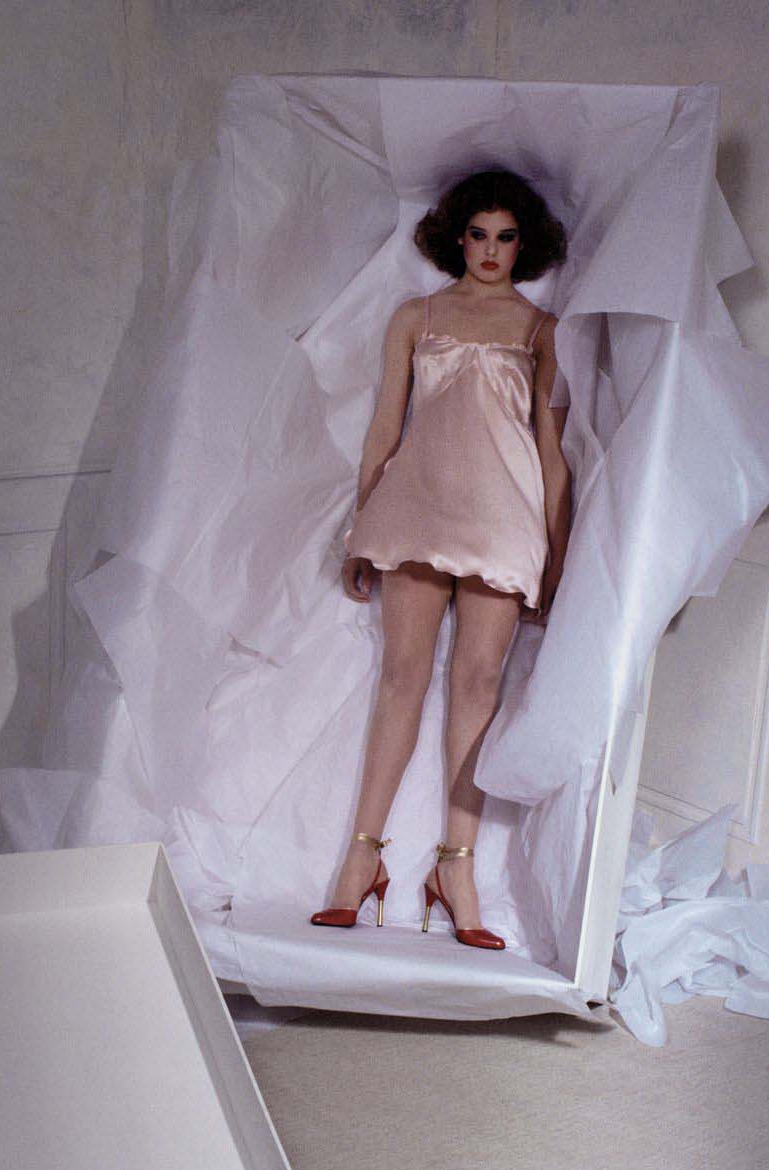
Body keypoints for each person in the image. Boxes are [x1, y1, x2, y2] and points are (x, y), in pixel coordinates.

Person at [308, 169, 572, 949]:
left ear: (524, 245)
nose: (490, 251)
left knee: (479, 687)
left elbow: (551, 451)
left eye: (506, 237)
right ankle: (361, 861)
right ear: (457, 236)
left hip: (505, 522)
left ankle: (456, 870)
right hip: (415, 509)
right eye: (479, 234)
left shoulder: (542, 329)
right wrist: (361, 527)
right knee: (401, 679)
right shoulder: (415, 316)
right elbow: (384, 427)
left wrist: (556, 556)